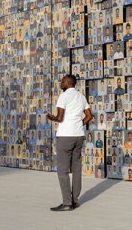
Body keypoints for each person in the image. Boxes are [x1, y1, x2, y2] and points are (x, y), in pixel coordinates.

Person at [47, 74, 94, 211]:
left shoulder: (64, 96)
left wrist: (52, 118)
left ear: (68, 83)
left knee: (62, 171)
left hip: (65, 136)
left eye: (62, 81)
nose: (61, 83)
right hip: (79, 136)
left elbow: (60, 118)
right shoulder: (81, 96)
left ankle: (67, 203)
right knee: (76, 169)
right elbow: (89, 116)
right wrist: (80, 123)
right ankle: (75, 201)